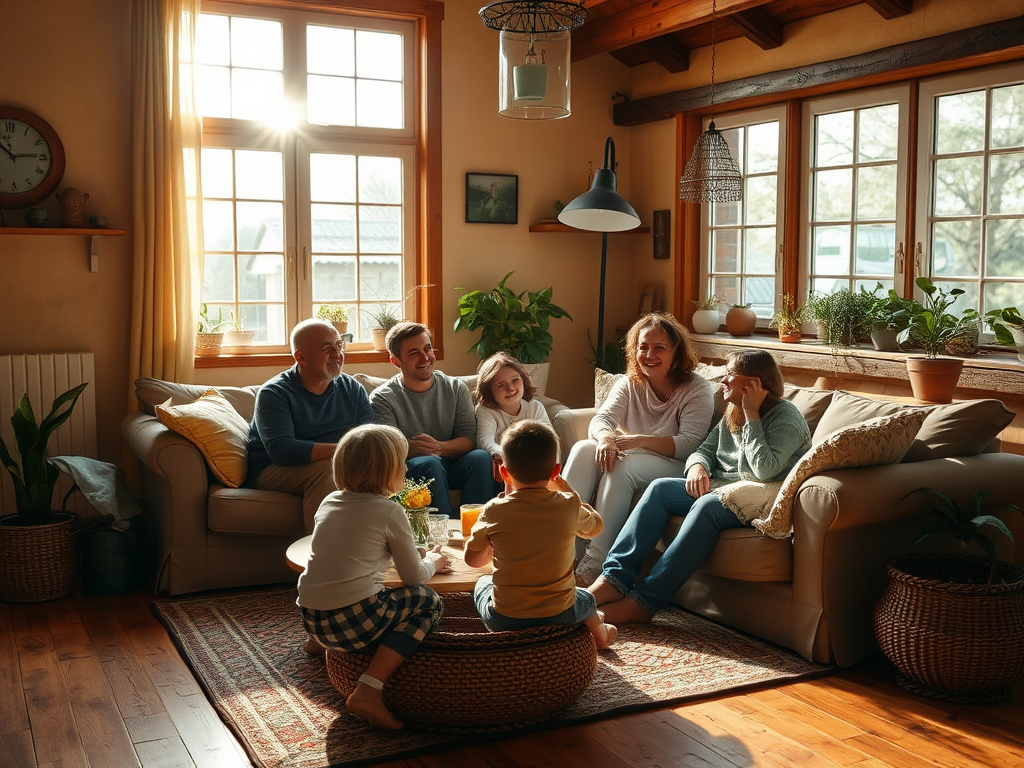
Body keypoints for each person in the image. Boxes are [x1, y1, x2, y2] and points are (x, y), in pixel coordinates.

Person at [588, 350, 811, 626]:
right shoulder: (733, 411)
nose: (723, 381)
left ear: (753, 383)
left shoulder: (785, 416)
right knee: (660, 489)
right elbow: (703, 450)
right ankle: (614, 579)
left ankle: (644, 602)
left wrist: (752, 414)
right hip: (721, 488)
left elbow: (764, 471)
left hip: (761, 497)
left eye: (730, 374)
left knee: (707, 505)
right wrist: (697, 467)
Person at [297, 423, 453, 730]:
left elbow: (347, 551)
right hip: (351, 625)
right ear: (387, 472)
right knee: (428, 601)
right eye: (402, 464)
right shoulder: (390, 511)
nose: (406, 470)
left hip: (310, 615)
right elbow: (413, 579)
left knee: (335, 578)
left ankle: (315, 642)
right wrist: (433, 561)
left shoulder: (328, 502)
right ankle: (369, 689)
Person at [563, 312, 716, 586]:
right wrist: (607, 438)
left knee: (622, 465)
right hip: (634, 455)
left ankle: (594, 564)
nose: (649, 354)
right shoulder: (629, 383)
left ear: (677, 354)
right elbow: (601, 420)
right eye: (643, 347)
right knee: (584, 449)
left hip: (676, 463)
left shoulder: (697, 389)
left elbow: (689, 444)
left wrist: (637, 440)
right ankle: (562, 556)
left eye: (659, 348)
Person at [464, 420, 616, 648]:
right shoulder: (567, 504)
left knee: (482, 583)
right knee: (585, 597)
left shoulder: (494, 510)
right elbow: (596, 526)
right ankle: (600, 633)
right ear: (556, 471)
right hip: (558, 614)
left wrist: (490, 546)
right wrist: (567, 491)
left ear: (504, 473)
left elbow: (473, 561)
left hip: (505, 618)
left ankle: (499, 645)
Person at [247, 319, 374, 533]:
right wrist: (345, 453)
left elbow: (370, 435)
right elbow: (282, 450)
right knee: (329, 470)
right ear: (301, 357)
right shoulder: (274, 393)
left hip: (340, 461)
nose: (337, 354)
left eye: (339, 346)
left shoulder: (352, 388)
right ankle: (321, 558)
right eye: (327, 349)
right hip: (273, 469)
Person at [369, 322, 493, 517]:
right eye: (414, 353)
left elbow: (468, 440)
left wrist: (438, 447)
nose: (425, 357)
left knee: (480, 457)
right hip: (413, 469)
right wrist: (411, 448)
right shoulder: (383, 398)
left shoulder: (455, 388)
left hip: (453, 464)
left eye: (428, 349)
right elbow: (388, 450)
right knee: (430, 463)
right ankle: (440, 536)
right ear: (395, 361)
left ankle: (478, 530)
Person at [474, 352, 552, 486]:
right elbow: (484, 441)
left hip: (537, 469)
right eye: (500, 384)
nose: (510, 388)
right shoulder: (485, 411)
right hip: (505, 473)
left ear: (524, 379)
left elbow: (550, 441)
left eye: (515, 380)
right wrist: (512, 458)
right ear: (489, 391)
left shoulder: (535, 407)